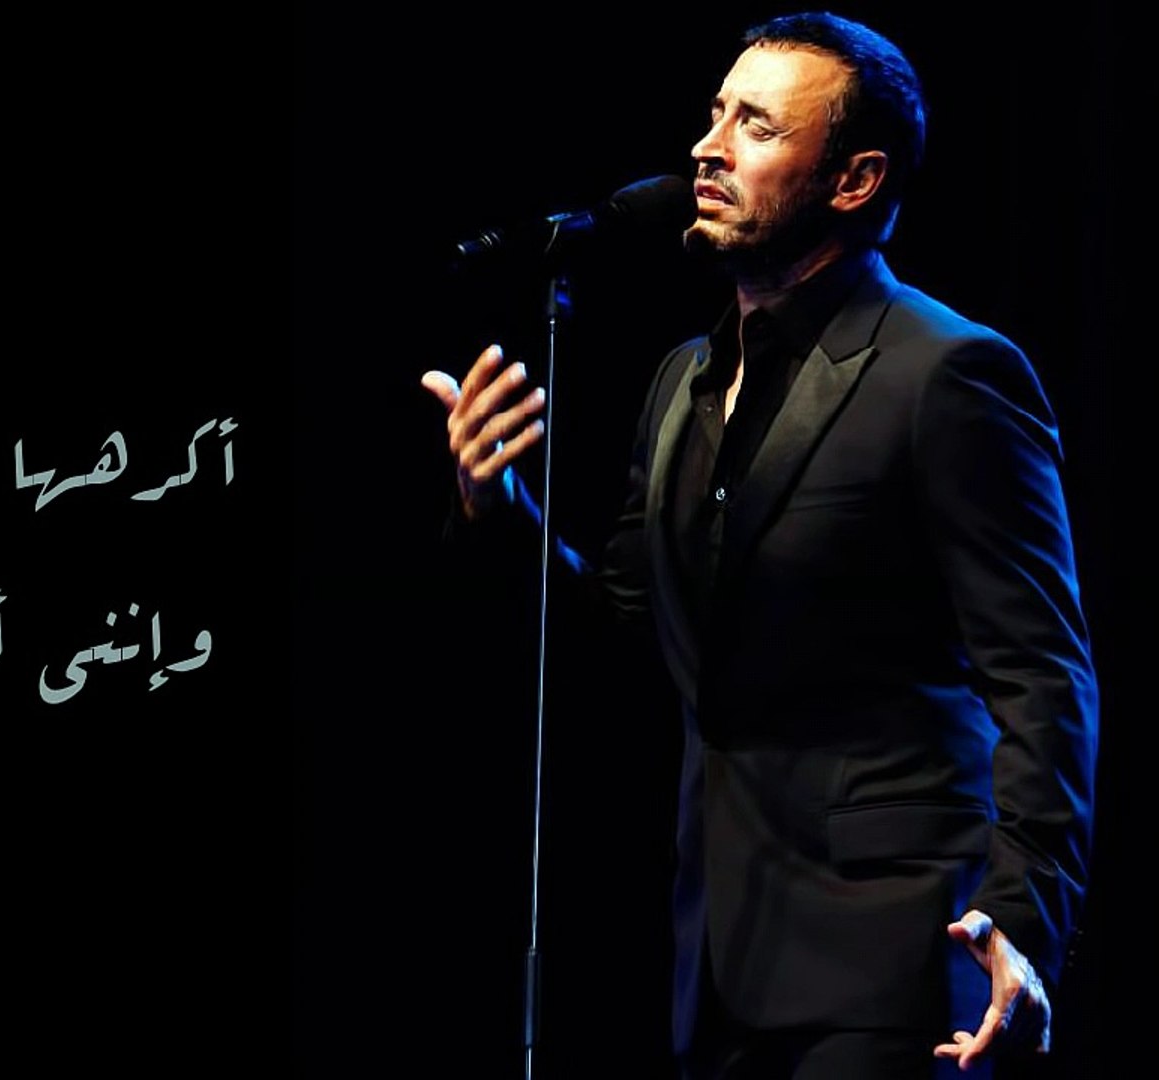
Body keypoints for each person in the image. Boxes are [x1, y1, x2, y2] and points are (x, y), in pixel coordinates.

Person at [419, 12, 1097, 1079]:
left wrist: (1024, 914)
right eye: (714, 114)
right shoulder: (682, 384)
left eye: (757, 126)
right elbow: (627, 633)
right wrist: (499, 509)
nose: (708, 147)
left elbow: (1043, 672)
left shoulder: (948, 373)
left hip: (898, 948)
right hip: (723, 957)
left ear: (855, 180)